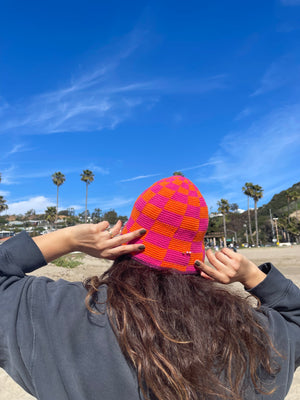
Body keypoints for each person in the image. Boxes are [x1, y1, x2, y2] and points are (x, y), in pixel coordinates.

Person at [0, 175, 299, 400]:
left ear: (124, 241)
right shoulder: (260, 337)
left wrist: (67, 240)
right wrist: (255, 277)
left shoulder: (57, 312)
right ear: (197, 252)